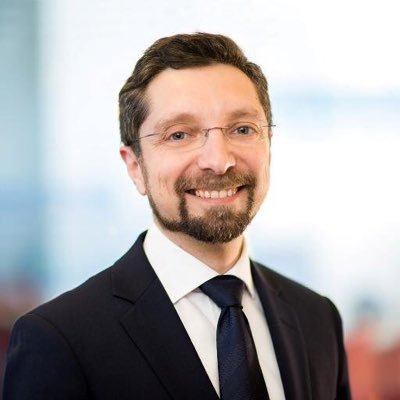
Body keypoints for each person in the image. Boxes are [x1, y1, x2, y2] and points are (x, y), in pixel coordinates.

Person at [3, 33, 352, 399]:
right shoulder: (59, 339)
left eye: (242, 129)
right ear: (135, 166)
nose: (219, 160)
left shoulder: (317, 318)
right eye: (179, 135)